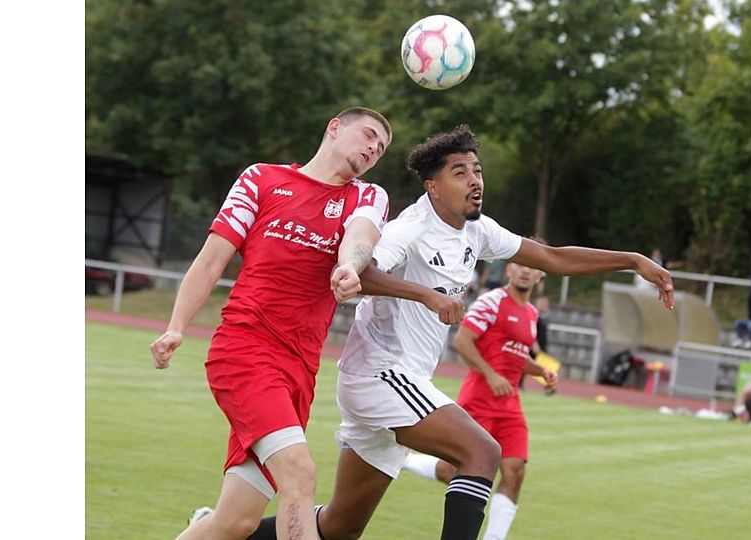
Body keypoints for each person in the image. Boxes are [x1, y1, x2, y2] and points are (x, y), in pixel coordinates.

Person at [243, 124, 674, 540]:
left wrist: (632, 259)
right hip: (380, 374)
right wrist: (427, 295)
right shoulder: (409, 228)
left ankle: (227, 531)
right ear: (432, 185)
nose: (474, 180)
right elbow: (362, 271)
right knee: (482, 453)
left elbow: (551, 257)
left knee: (340, 526)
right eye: (460, 172)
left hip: (399, 381)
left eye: (478, 170)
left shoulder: (478, 230)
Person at [150, 107, 461, 540]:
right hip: (245, 351)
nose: (373, 148)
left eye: (381, 147)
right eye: (368, 135)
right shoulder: (261, 179)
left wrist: (351, 266)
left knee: (234, 522)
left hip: (299, 369)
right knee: (300, 473)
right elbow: (210, 260)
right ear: (334, 127)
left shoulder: (367, 196)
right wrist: (177, 325)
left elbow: (361, 237)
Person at [401, 261, 558, 540]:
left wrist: (541, 371)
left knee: (515, 472)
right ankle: (406, 460)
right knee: (456, 471)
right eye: (520, 266)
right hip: (479, 401)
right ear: (509, 270)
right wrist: (491, 374)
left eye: (533, 267)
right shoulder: (492, 301)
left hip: (510, 405)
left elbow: (515, 354)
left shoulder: (532, 313)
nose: (525, 271)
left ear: (540, 275)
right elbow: (462, 340)